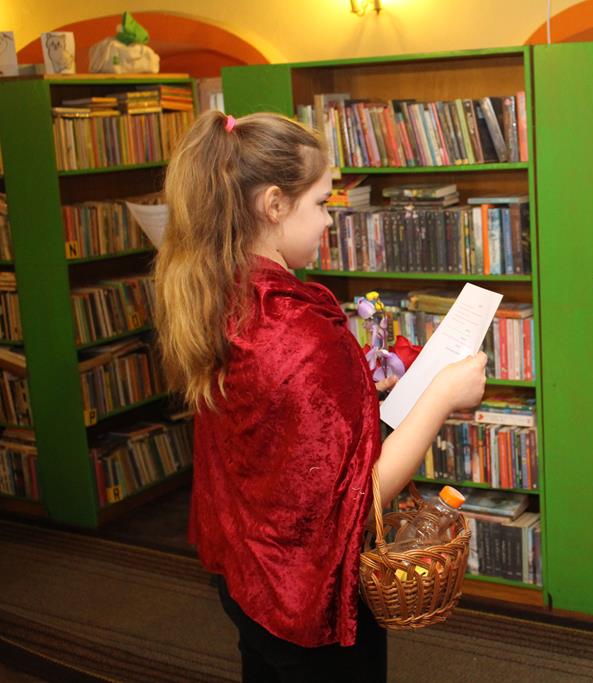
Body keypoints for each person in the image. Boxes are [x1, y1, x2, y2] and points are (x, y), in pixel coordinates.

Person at [155, 110, 486, 682]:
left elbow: (287, 427)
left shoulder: (223, 293)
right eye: (321, 202)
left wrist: (356, 387)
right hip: (304, 593)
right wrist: (442, 395)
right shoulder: (298, 330)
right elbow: (361, 497)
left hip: (250, 572)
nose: (330, 221)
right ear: (274, 205)